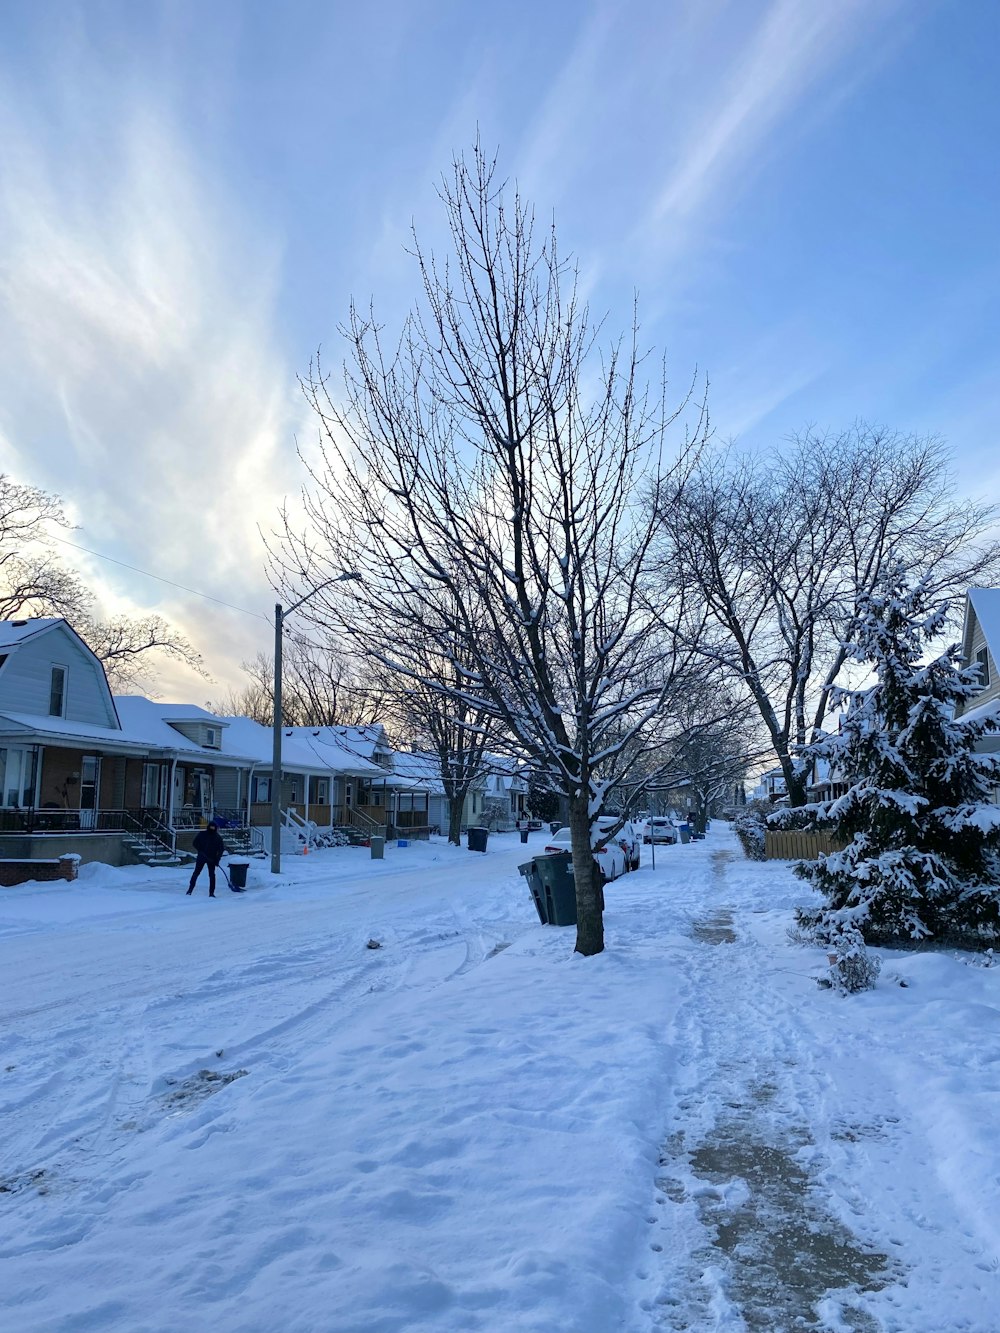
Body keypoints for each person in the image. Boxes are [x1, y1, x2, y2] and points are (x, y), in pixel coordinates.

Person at [187, 821, 225, 897]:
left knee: (211, 875)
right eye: (211, 827)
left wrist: (217, 859)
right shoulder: (202, 834)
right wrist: (200, 850)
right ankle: (190, 890)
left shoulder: (217, 837)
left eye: (213, 827)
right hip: (202, 857)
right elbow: (195, 843)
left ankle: (211, 893)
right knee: (196, 873)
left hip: (211, 859)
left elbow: (221, 850)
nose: (212, 829)